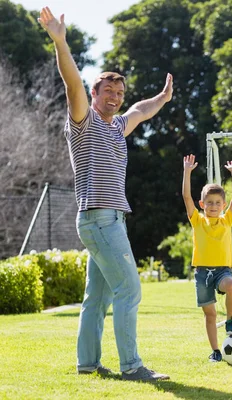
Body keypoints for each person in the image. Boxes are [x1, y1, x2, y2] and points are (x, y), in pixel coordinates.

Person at [38, 7, 173, 381]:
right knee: (130, 289)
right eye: (107, 91)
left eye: (119, 92)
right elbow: (72, 85)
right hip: (99, 218)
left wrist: (161, 98)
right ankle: (132, 366)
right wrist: (60, 42)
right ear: (95, 94)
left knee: (97, 298)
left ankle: (87, 363)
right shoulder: (84, 121)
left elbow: (140, 111)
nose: (114, 97)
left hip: (108, 219)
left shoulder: (116, 128)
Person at [182, 154, 232, 362]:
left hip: (222, 271)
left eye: (218, 202)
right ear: (202, 204)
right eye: (210, 203)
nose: (214, 206)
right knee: (209, 315)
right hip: (201, 273)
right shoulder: (197, 221)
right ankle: (216, 351)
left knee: (231, 286)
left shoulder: (227, 219)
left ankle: (231, 321)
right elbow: (186, 198)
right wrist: (187, 171)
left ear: (223, 204)